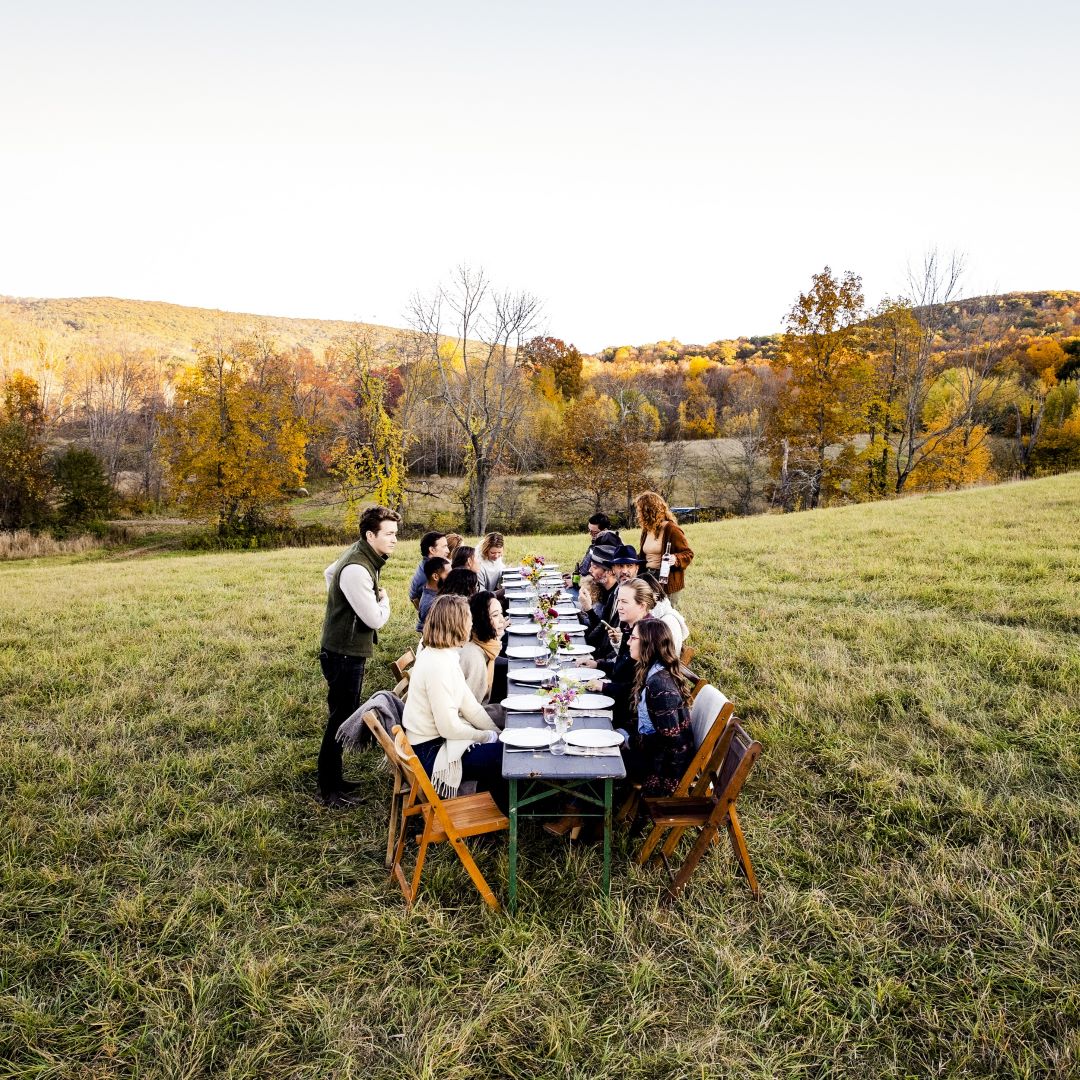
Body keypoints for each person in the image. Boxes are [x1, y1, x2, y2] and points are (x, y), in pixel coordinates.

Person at [317, 505, 400, 807]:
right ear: (370, 535)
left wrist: (343, 600)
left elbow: (329, 573)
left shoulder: (362, 554)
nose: (394, 540)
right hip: (343, 653)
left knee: (341, 713)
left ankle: (335, 780)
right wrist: (384, 601)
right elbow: (375, 619)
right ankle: (329, 789)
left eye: (395, 534)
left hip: (345, 651)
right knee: (339, 717)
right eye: (389, 534)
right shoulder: (356, 568)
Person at [401, 595, 505, 809]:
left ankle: (497, 807)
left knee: (505, 746)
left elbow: (471, 707)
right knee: (505, 757)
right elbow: (448, 727)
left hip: (439, 742)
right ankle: (500, 813)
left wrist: (496, 733)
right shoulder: (438, 665)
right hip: (431, 752)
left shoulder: (447, 655)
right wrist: (487, 737)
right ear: (456, 624)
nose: (471, 624)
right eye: (468, 620)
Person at [625, 619, 696, 797]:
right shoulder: (652, 671)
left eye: (633, 638)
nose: (628, 642)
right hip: (650, 752)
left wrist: (629, 742)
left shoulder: (660, 685)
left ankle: (579, 814)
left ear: (648, 645)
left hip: (662, 768)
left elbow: (671, 742)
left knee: (600, 757)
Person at [579, 577, 658, 730]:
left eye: (625, 602)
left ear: (642, 606)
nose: (619, 607)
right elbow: (623, 667)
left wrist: (604, 687)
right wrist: (598, 664)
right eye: (619, 601)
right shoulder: (630, 626)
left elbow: (638, 690)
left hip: (630, 720)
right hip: (617, 703)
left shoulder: (646, 636)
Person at [635, 491, 694, 607]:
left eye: (640, 510)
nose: (638, 514)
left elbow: (688, 553)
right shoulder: (647, 530)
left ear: (649, 511)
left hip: (666, 580)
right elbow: (643, 555)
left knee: (665, 616)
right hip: (648, 577)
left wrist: (675, 558)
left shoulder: (671, 529)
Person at [460, 590, 509, 709]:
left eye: (501, 614)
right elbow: (468, 709)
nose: (502, 620)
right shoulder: (474, 657)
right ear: (482, 619)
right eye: (495, 615)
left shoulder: (487, 648)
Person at [583, 547, 620, 658]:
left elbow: (603, 633)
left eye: (594, 567)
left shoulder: (617, 595)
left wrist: (589, 609)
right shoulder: (602, 589)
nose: (590, 570)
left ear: (609, 572)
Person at [409, 531, 449, 611]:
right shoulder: (428, 575)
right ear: (432, 550)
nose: (448, 551)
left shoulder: (429, 565)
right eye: (444, 547)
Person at [416, 556, 451, 632]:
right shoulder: (430, 604)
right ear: (435, 576)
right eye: (449, 574)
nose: (452, 577)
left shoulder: (439, 593)